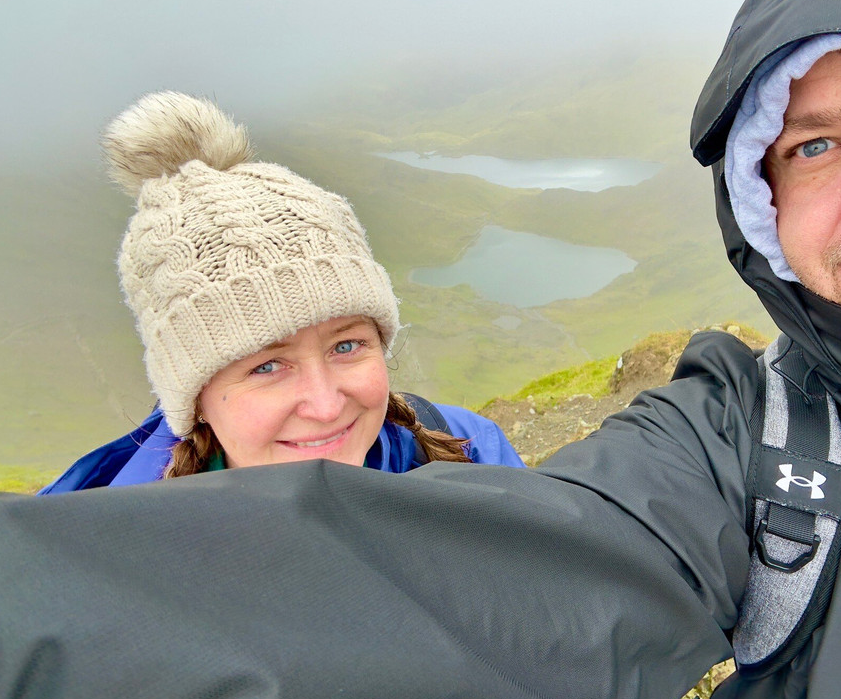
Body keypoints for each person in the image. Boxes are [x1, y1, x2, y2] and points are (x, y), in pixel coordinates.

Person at [0, 0, 841, 699]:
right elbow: (493, 589)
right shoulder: (749, 444)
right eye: (818, 140)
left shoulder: (466, 451)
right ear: (761, 189)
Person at [38, 90, 522, 493]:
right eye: (266, 366)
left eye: (347, 345)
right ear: (195, 400)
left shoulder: (471, 451)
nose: (326, 406)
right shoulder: (111, 566)